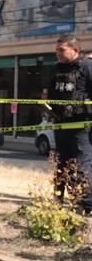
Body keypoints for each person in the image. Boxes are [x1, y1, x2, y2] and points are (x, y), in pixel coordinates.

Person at [46, 35, 92, 214]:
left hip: (81, 125)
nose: (57, 53)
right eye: (56, 50)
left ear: (75, 50)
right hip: (61, 123)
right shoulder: (57, 69)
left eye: (61, 50)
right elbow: (50, 93)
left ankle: (87, 204)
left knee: (82, 164)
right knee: (61, 164)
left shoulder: (86, 67)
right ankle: (60, 199)